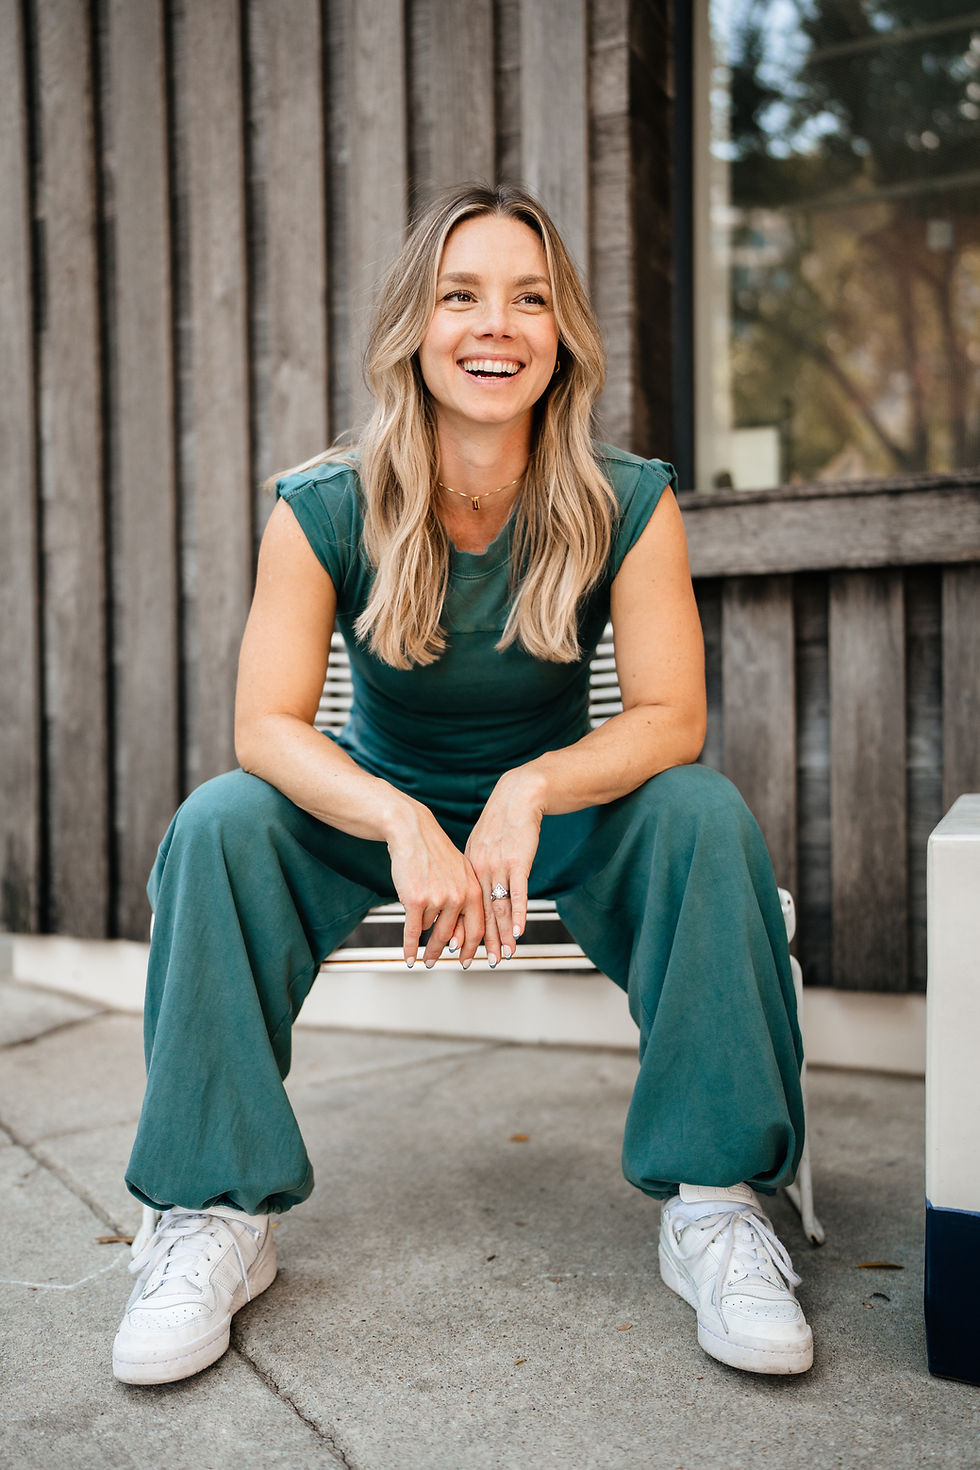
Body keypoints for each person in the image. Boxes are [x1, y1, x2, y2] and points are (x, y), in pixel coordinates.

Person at [112, 182, 812, 1385]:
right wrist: (395, 818)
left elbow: (668, 718)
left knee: (701, 813)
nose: (497, 325)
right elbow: (265, 728)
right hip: (379, 810)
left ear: (561, 336)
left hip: (555, 815)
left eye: (529, 299)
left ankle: (714, 1205)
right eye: (462, 296)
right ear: (414, 328)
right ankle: (213, 1214)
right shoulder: (324, 503)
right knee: (220, 824)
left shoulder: (624, 500)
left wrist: (531, 786)